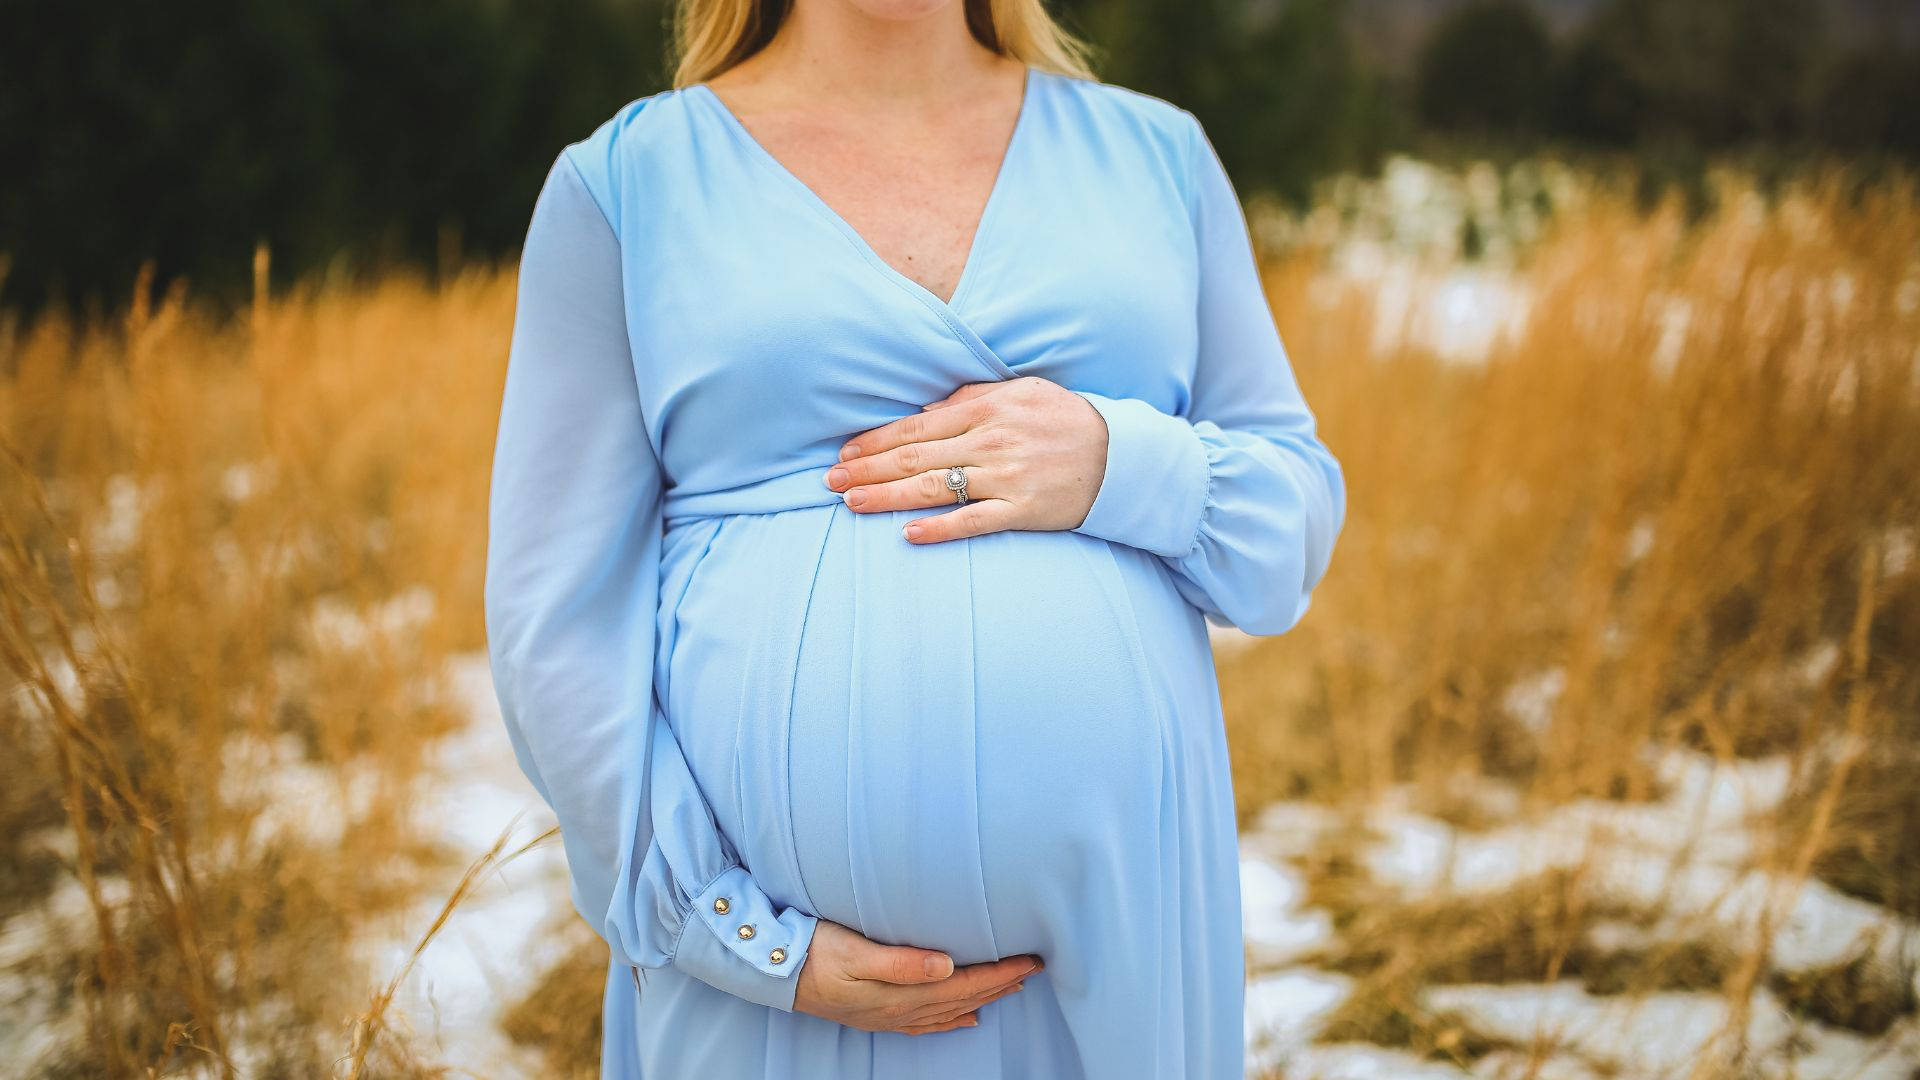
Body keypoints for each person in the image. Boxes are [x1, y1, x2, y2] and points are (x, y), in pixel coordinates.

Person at [482, 0, 1347, 1075]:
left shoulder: (1156, 156)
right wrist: (732, 930)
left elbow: (1286, 528)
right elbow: (550, 616)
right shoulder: (627, 185)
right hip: (778, 1010)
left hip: (1118, 962)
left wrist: (1114, 462)